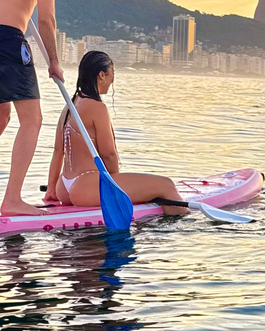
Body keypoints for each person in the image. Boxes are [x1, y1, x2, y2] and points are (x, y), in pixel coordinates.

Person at [44, 51, 188, 216]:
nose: (112, 80)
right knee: (166, 185)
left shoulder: (70, 106)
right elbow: (109, 155)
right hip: (87, 186)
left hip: (64, 186)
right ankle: (184, 227)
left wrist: (51, 189)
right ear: (102, 75)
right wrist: (117, 187)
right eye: (112, 74)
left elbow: (58, 151)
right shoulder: (98, 108)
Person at [0, 0, 64, 216]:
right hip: (7, 39)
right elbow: (46, 20)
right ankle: (12, 199)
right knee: (32, 120)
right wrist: (54, 61)